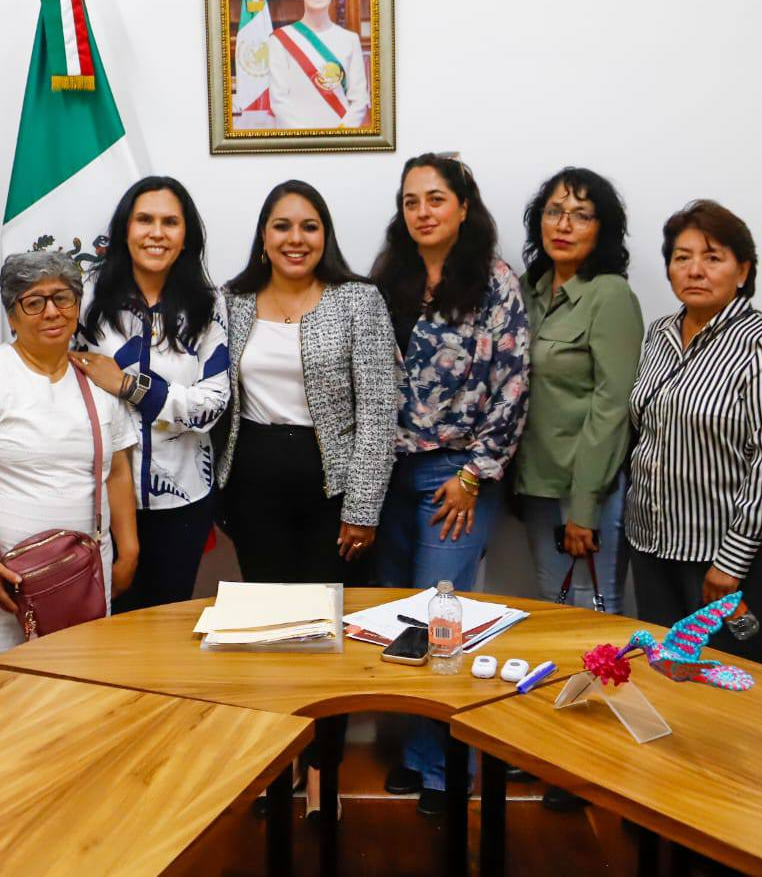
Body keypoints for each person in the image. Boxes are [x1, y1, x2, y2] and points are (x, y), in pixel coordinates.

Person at [0, 177, 230, 612]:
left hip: (180, 496)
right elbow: (34, 351)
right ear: (124, 229)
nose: (156, 232)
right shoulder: (85, 292)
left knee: (164, 622)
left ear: (186, 234)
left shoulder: (207, 304)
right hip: (91, 499)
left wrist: (130, 387)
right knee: (97, 629)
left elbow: (213, 405)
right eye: (144, 220)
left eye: (170, 222)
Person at [219, 179, 398, 819]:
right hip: (252, 484)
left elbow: (378, 410)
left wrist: (363, 509)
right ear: (264, 237)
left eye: (309, 226)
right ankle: (281, 762)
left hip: (333, 490)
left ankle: (323, 771)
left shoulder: (358, 300)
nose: (296, 239)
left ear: (325, 235)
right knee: (270, 633)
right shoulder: (232, 301)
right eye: (282, 226)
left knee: (325, 635)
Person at [370, 153, 530, 817]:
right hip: (388, 473)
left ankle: (445, 770)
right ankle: (417, 752)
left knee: (443, 619)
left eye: (435, 198)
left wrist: (473, 474)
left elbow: (513, 385)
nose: (422, 212)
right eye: (411, 201)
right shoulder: (389, 279)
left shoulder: (494, 281)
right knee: (398, 619)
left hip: (457, 473)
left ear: (464, 206)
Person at [0, 252, 139, 694]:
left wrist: (129, 550)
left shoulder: (97, 378)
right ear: (12, 315)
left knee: (73, 696)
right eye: (34, 302)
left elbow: (118, 470)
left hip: (82, 582)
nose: (51, 311)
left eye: (62, 298)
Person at [625, 200, 762, 664]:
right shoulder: (659, 333)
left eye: (712, 257)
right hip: (652, 541)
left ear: (742, 271)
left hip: (722, 555)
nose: (695, 270)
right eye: (682, 257)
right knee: (662, 669)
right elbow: (645, 429)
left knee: (723, 676)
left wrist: (731, 561)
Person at [513, 168, 643, 612]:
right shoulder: (527, 290)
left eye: (581, 215)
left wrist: (585, 508)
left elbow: (613, 406)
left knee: (592, 614)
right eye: (554, 212)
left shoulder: (610, 295)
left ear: (602, 229)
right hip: (537, 484)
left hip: (586, 488)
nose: (564, 225)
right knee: (555, 609)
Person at [266, 0, 370, 129]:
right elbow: (279, 102)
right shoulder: (280, 40)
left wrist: (338, 135)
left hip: (341, 139)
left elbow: (359, 101)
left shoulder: (350, 40)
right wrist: (309, 139)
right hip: (298, 140)